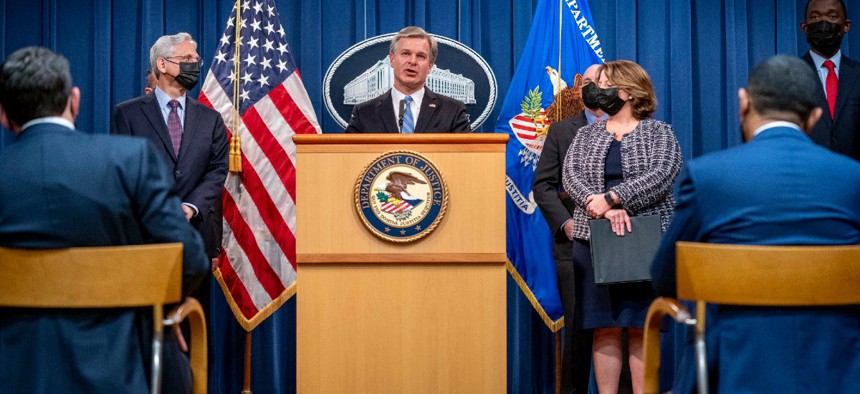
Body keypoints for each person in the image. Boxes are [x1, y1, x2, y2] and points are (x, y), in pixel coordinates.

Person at [0, 46, 208, 393]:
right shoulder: (132, 160)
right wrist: (160, 310)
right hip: (128, 371)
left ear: (4, 115)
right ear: (74, 101)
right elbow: (191, 258)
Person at [651, 55, 860, 393]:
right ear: (815, 116)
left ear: (743, 103)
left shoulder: (708, 177)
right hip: (840, 372)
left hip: (730, 374)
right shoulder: (854, 179)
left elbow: (664, 278)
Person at [561, 60, 682, 394]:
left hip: (644, 239)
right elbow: (571, 176)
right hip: (593, 242)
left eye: (605, 83)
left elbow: (662, 175)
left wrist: (615, 199)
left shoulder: (660, 132)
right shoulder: (586, 134)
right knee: (603, 328)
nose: (597, 90)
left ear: (628, 90)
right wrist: (596, 204)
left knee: (641, 326)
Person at [112, 32, 228, 259]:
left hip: (196, 238)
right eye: (186, 59)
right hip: (144, 237)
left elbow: (217, 170)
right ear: (162, 64)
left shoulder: (211, 119)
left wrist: (191, 206)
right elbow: (122, 172)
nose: (193, 65)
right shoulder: (127, 114)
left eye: (196, 60)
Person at [533, 63, 606, 394]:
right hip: (573, 248)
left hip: (619, 245)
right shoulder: (562, 131)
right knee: (578, 333)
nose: (591, 88)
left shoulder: (635, 130)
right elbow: (543, 187)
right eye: (586, 82)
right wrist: (565, 223)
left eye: (600, 82)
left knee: (619, 333)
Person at [344, 26, 472, 133]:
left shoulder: (452, 111)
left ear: (430, 66)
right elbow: (348, 157)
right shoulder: (364, 113)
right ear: (392, 60)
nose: (412, 61)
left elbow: (467, 156)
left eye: (421, 56)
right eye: (405, 54)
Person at [800, 0, 860, 160]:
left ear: (846, 26)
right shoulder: (789, 75)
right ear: (804, 27)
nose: (823, 22)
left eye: (832, 16)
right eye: (815, 17)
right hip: (806, 176)